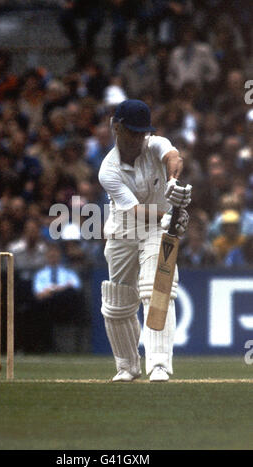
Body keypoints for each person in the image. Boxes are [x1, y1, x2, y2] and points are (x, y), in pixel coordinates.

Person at [98, 99, 191, 382]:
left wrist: (173, 182)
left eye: (143, 132)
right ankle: (127, 366)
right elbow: (134, 211)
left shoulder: (154, 143)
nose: (139, 138)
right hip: (124, 228)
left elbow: (174, 157)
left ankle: (159, 365)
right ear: (117, 128)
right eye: (133, 132)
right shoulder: (108, 171)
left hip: (156, 231)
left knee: (157, 288)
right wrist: (168, 214)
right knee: (117, 302)